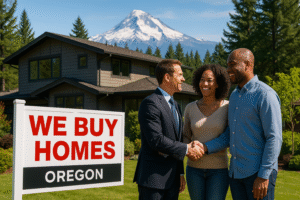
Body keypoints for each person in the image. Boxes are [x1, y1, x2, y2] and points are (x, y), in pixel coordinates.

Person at [202, 48, 282, 200]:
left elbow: (274, 138)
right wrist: (205, 147)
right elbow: (230, 134)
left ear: (247, 64)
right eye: (227, 65)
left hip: (258, 175)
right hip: (236, 175)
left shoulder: (265, 95)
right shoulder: (234, 96)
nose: (228, 69)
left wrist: (264, 176)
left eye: (232, 64)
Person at [133, 59, 204, 200]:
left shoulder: (176, 105)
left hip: (172, 181)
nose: (183, 79)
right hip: (153, 180)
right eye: (180, 75)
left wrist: (180, 174)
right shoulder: (150, 103)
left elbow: (176, 140)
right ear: (167, 77)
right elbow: (156, 140)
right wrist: (187, 148)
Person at [183, 64, 231, 200]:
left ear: (217, 84)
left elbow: (228, 137)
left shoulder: (228, 107)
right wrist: (188, 150)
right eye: (202, 79)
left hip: (219, 171)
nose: (204, 83)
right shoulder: (190, 108)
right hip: (194, 169)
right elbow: (185, 136)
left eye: (209, 80)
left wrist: (204, 148)